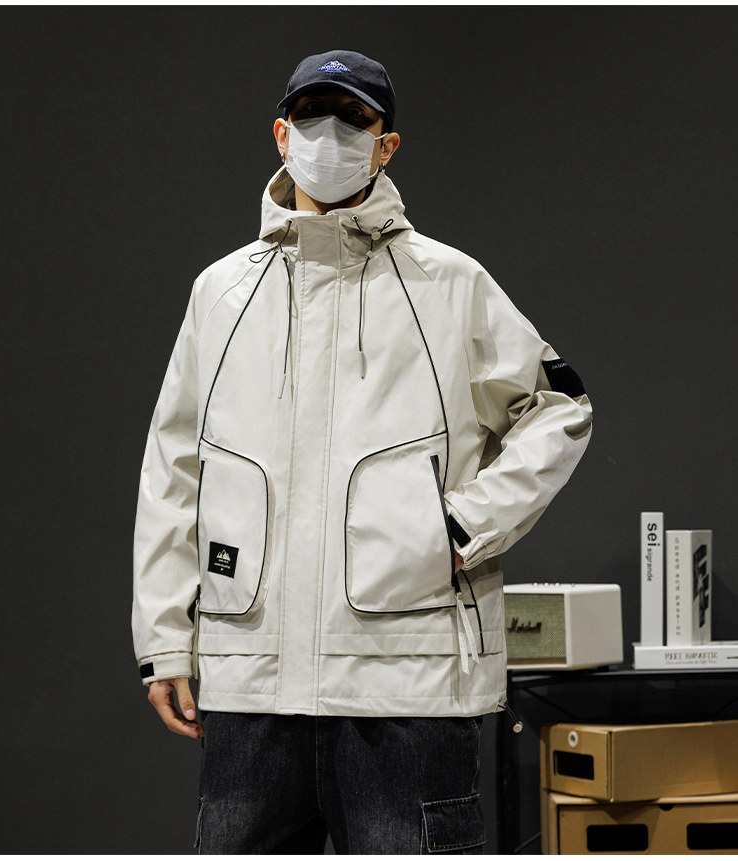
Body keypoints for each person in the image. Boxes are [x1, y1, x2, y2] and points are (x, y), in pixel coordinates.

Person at [132, 49, 592, 854]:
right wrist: (166, 638)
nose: (329, 133)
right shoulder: (220, 293)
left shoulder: (449, 284)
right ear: (281, 134)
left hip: (407, 686)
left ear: (386, 147)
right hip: (251, 685)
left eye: (353, 119)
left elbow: (558, 408)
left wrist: (459, 526)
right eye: (311, 115)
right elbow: (175, 470)